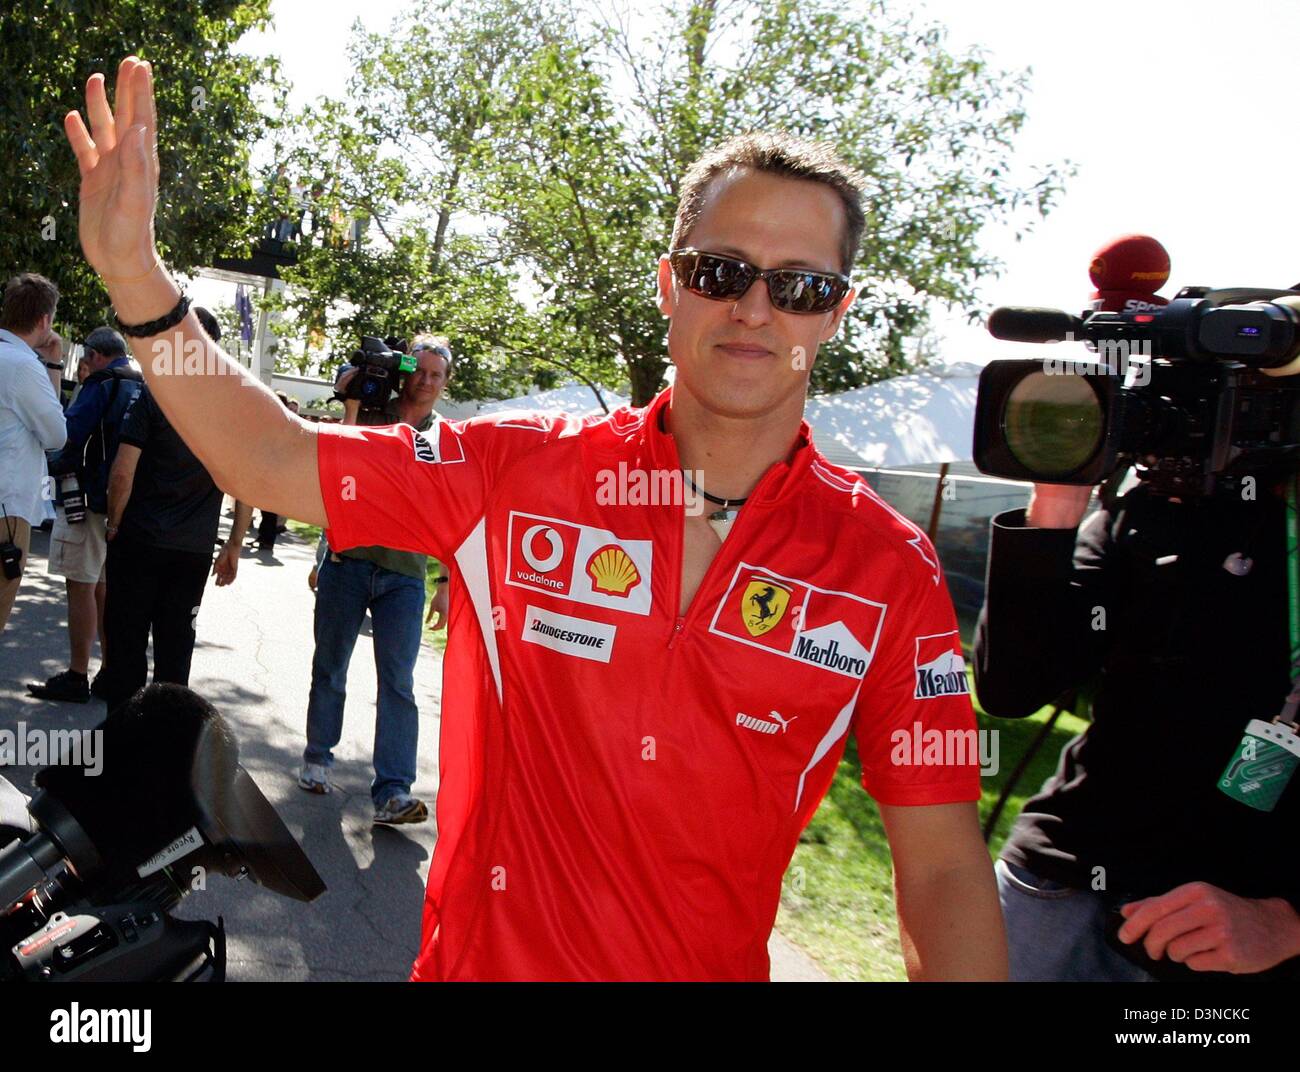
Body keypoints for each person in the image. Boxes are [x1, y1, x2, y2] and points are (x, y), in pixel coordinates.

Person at [65, 56, 1005, 981]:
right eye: (721, 271)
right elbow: (267, 455)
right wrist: (138, 281)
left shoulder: (889, 570)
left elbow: (945, 868)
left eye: (799, 286)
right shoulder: (517, 470)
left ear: (834, 313)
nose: (756, 308)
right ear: (670, 284)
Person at [974, 477, 1300, 980]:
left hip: (1238, 943)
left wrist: (1286, 924)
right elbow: (1012, 688)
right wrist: (1056, 502)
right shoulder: (1168, 497)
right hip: (1060, 885)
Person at [298, 336, 452, 825]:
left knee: (399, 684)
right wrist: (352, 397)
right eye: (420, 371)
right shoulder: (371, 414)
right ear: (405, 372)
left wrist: (445, 581)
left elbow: (453, 511)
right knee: (331, 666)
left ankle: (392, 791)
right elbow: (335, 465)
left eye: (436, 375)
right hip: (349, 562)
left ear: (445, 385)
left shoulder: (446, 439)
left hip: (405, 575)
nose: (425, 382)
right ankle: (318, 757)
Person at [100, 307, 253, 713]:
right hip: (193, 551)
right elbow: (245, 484)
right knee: (175, 653)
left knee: (126, 646)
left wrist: (114, 522)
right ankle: (165, 755)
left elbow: (123, 470)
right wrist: (234, 544)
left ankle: (119, 748)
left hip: (139, 541)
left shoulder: (155, 394)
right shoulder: (234, 410)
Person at [29, 326, 143, 703]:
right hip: (122, 504)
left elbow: (66, 434)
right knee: (104, 587)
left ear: (93, 355)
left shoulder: (102, 383)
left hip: (87, 500)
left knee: (80, 583)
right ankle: (110, 670)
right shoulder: (141, 383)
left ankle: (78, 674)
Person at [0, 273, 67, 635]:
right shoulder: (25, 366)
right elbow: (57, 434)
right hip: (7, 510)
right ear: (44, 321)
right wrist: (54, 365)